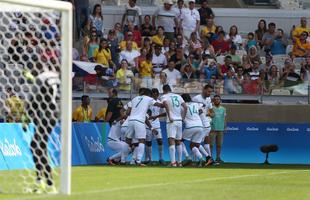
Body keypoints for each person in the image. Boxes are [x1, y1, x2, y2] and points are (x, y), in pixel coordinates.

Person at [27, 69, 60, 193]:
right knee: (37, 146)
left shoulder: (41, 83)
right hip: (50, 115)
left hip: (45, 115)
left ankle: (47, 182)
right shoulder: (53, 80)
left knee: (38, 147)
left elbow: (34, 101)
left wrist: (27, 112)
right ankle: (41, 180)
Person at [123, 88, 164, 166]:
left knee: (127, 141)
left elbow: (127, 112)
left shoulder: (135, 98)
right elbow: (160, 105)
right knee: (142, 140)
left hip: (131, 120)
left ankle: (122, 160)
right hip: (140, 121)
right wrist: (165, 104)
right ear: (149, 94)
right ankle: (138, 161)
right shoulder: (148, 99)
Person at [161, 84, 187, 167]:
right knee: (178, 141)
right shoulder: (178, 96)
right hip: (179, 121)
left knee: (171, 140)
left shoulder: (164, 96)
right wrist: (182, 118)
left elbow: (165, 104)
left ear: (164, 90)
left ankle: (173, 163)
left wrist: (169, 115)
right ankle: (179, 162)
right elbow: (185, 107)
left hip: (171, 121)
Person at [105, 88, 128, 165]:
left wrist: (106, 121)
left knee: (126, 147)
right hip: (118, 123)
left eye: (109, 92)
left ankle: (115, 160)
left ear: (114, 93)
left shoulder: (112, 102)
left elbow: (110, 112)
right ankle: (117, 160)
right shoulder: (120, 102)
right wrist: (122, 119)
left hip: (114, 123)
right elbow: (122, 113)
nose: (108, 94)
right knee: (126, 147)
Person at [192, 85, 214, 166]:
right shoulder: (196, 99)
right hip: (200, 124)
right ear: (204, 90)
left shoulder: (208, 99)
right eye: (208, 91)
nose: (210, 93)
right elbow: (194, 111)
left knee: (194, 144)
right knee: (204, 141)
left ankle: (208, 158)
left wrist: (208, 113)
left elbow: (212, 113)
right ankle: (209, 159)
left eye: (211, 92)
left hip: (204, 125)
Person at [145, 89, 165, 165]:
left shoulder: (160, 103)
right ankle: (149, 159)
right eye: (153, 93)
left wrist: (156, 116)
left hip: (157, 124)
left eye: (156, 93)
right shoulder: (148, 102)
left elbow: (164, 113)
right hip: (147, 124)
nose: (155, 95)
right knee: (148, 142)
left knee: (160, 141)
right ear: (151, 94)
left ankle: (161, 158)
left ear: (158, 94)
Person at [210, 95, 226, 164]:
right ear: (213, 101)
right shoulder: (211, 108)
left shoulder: (223, 109)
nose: (216, 100)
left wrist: (225, 127)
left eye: (218, 99)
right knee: (211, 145)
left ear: (220, 100)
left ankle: (218, 158)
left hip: (220, 129)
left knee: (219, 145)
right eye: (215, 99)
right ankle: (210, 158)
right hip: (212, 129)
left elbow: (224, 119)